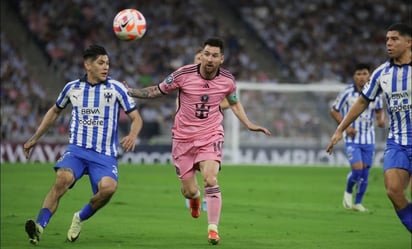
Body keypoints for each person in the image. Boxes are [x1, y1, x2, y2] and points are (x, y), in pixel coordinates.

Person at [128, 37, 271, 245]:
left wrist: (248, 123)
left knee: (210, 179)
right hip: (183, 138)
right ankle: (194, 199)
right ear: (201, 55)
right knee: (189, 190)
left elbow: (234, 102)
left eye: (215, 55)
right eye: (206, 54)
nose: (210, 59)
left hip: (210, 135)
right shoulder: (183, 74)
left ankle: (213, 229)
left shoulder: (228, 80)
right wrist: (132, 91)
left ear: (221, 59)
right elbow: (156, 90)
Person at [23, 44, 143, 245]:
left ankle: (79, 217)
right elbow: (54, 112)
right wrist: (35, 138)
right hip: (77, 150)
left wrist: (132, 134)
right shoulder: (72, 88)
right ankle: (39, 227)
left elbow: (137, 118)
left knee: (108, 189)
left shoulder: (116, 88)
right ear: (87, 65)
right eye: (101, 63)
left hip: (104, 155)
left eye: (107, 63)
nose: (106, 67)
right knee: (62, 180)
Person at [326, 23, 411, 233]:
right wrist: (340, 129)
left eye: (394, 39)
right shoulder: (382, 72)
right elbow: (363, 101)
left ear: (409, 42)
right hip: (397, 142)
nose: (389, 43)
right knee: (393, 191)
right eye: (387, 39)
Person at [330, 63, 385, 212]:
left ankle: (358, 203)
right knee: (357, 170)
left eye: (364, 73)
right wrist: (346, 127)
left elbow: (380, 110)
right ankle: (348, 191)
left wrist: (381, 119)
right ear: (354, 77)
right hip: (352, 139)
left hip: (369, 138)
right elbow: (334, 111)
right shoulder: (347, 92)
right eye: (358, 74)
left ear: (369, 75)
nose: (361, 77)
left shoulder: (376, 92)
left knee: (365, 172)